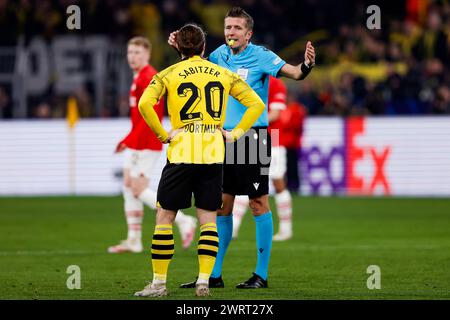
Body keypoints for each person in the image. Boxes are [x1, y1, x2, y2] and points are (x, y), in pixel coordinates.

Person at [171, 7, 315, 289]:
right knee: (221, 206)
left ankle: (260, 275)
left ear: (248, 33)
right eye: (228, 28)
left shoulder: (262, 56)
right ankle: (214, 276)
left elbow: (295, 73)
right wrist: (180, 47)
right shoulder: (217, 56)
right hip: (222, 138)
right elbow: (192, 67)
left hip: (252, 138)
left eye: (237, 28)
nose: (231, 33)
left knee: (257, 202)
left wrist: (307, 64)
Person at [133, 23, 265, 297]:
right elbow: (257, 104)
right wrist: (236, 133)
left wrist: (162, 135)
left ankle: (158, 283)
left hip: (181, 152)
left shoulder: (168, 73)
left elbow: (145, 103)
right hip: (213, 153)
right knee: (208, 219)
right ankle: (204, 280)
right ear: (204, 47)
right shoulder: (222, 73)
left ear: (178, 48)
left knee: (165, 216)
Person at [108, 36, 197, 254]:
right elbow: (138, 118)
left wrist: (130, 140)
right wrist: (126, 139)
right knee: (129, 187)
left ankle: (184, 221)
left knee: (137, 188)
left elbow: (152, 115)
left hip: (147, 141)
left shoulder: (148, 77)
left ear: (147, 55)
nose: (133, 57)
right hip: (136, 140)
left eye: (137, 53)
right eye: (130, 52)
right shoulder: (138, 77)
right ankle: (133, 239)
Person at [232, 76, 294, 241]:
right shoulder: (246, 79)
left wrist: (249, 120)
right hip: (251, 137)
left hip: (272, 138)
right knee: (245, 183)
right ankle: (234, 227)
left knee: (278, 182)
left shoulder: (275, 83)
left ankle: (286, 229)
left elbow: (276, 113)